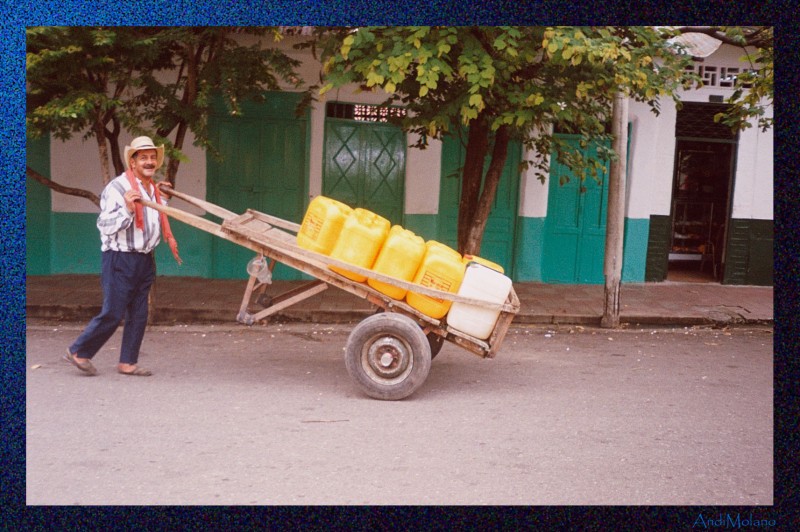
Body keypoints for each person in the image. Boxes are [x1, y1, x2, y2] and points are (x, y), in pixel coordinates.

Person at [63, 136, 182, 377]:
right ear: (133, 161)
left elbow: (153, 216)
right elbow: (104, 225)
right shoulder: (118, 188)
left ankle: (128, 362)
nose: (149, 162)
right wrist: (128, 209)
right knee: (113, 311)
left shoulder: (151, 189)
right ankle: (79, 351)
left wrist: (164, 197)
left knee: (139, 313)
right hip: (120, 257)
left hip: (144, 258)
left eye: (152, 158)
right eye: (143, 158)